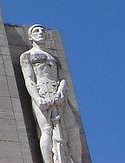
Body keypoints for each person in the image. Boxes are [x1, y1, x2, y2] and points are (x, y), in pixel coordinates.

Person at [19, 24, 84, 163]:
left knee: (73, 128)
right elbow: (29, 79)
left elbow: (63, 78)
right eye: (36, 31)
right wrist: (37, 98)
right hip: (42, 91)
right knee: (47, 129)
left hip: (58, 93)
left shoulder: (54, 58)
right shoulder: (27, 55)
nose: (40, 32)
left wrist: (60, 92)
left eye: (42, 30)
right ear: (30, 37)